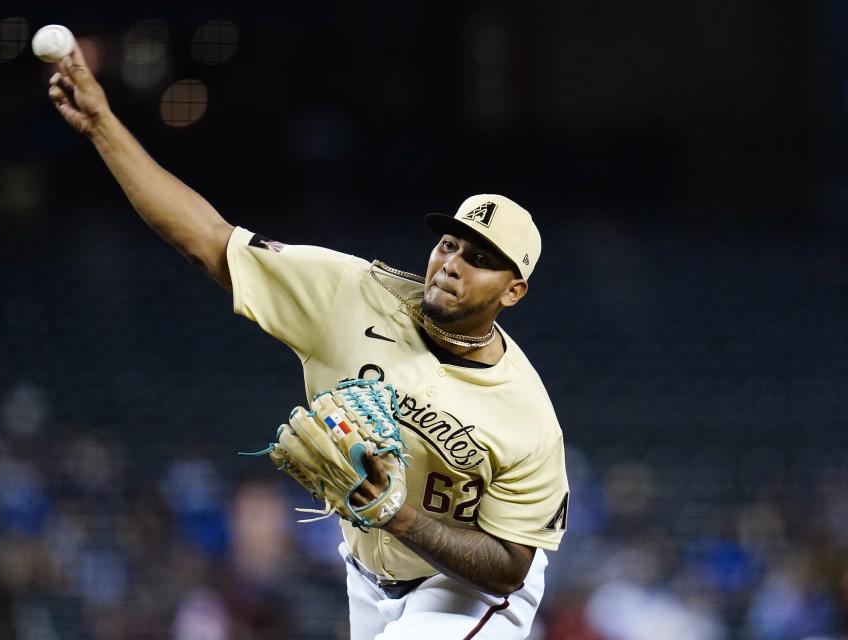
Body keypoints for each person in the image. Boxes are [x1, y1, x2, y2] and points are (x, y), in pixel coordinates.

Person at [48, 43, 569, 640]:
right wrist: (104, 127)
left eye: (479, 259)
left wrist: (400, 517)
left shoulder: (526, 417)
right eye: (449, 244)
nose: (452, 263)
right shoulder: (349, 294)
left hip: (469, 592)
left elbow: (510, 567)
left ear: (514, 292)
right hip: (368, 574)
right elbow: (205, 237)